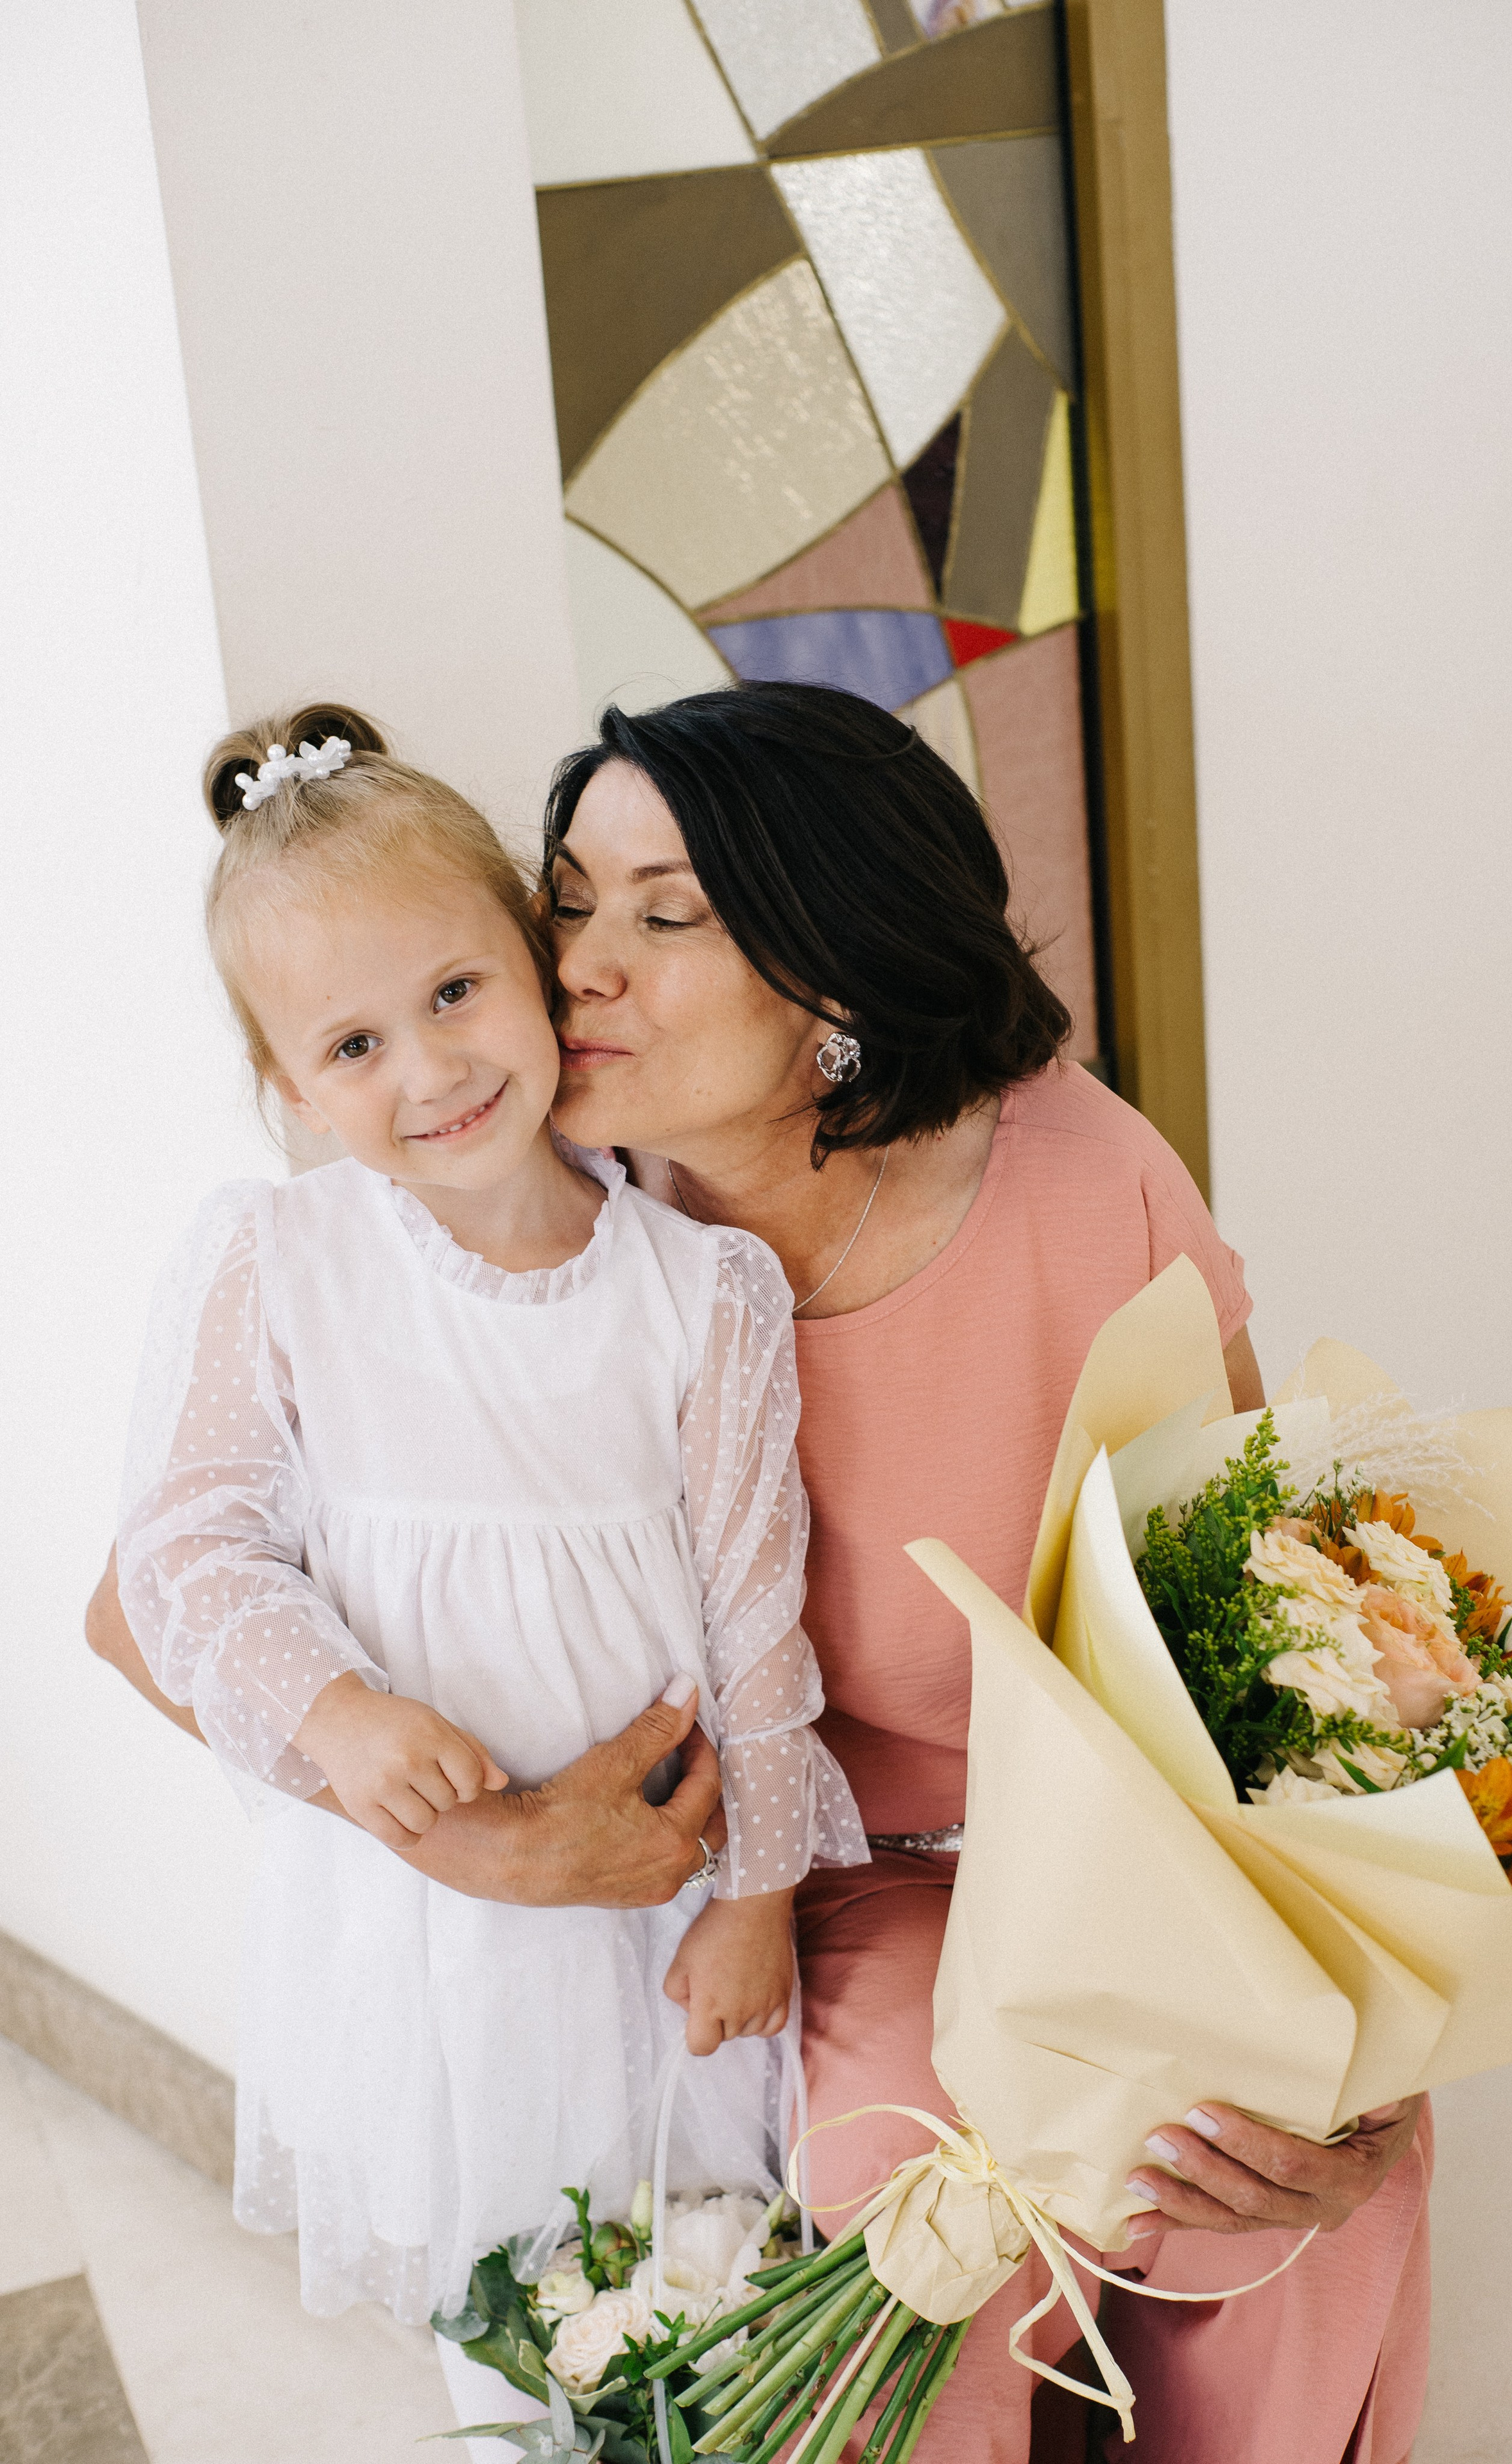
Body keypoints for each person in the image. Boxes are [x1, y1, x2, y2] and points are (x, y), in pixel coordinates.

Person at [90, 683, 1430, 2464]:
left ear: (832, 974)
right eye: (568, 900)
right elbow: (147, 1602)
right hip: (835, 1892)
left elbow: (1275, 1628)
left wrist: (1367, 2024)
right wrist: (478, 1841)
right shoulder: (525, 1196)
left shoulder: (1081, 1181)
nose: (575, 968)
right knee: (914, 2207)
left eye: (666, 917)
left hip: (1127, 1863)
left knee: (1265, 2171)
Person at [110, 703, 867, 2354]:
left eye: (455, 991)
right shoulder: (280, 1261)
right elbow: (181, 1551)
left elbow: (755, 1613)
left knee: (687, 2282)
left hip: (660, 1900)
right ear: (291, 1086)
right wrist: (336, 1710)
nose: (433, 1069)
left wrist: (754, 1895)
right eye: (353, 1045)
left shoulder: (702, 1285)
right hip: (423, 1922)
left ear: (533, 957)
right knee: (501, 2302)